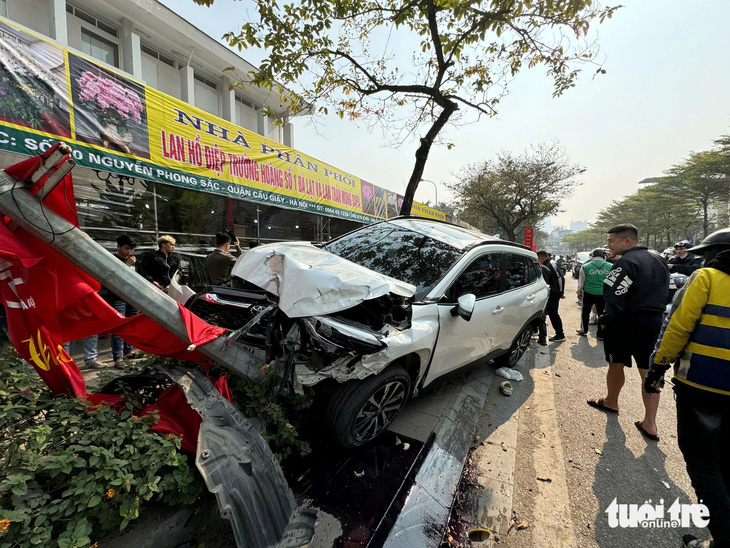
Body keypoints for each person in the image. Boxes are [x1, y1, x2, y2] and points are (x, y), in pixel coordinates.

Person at [645, 228, 730, 548]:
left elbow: (678, 326)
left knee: (703, 463)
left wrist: (657, 366)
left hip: (703, 386)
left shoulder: (707, 277)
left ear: (715, 253)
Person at [586, 224, 669, 441]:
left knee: (616, 363)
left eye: (611, 241)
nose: (608, 245)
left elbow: (615, 296)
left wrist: (605, 321)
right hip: (652, 324)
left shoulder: (625, 262)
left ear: (627, 241)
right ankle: (650, 423)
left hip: (624, 323)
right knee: (649, 371)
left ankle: (611, 401)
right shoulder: (659, 260)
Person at [103, 234, 139, 368]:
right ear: (118, 247)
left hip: (132, 297)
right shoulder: (112, 259)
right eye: (126, 248)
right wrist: (126, 265)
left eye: (132, 249)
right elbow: (110, 277)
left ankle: (128, 351)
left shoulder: (134, 260)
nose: (129, 252)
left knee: (130, 326)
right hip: (117, 297)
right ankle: (117, 358)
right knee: (119, 327)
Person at [576, 248, 611, 339]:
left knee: (585, 311)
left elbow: (581, 282)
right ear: (603, 255)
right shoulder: (610, 266)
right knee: (602, 313)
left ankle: (583, 330)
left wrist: (579, 292)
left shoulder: (585, 266)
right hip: (603, 293)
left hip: (588, 293)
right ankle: (600, 334)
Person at [537, 250, 566, 342]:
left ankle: (560, 334)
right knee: (550, 312)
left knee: (553, 313)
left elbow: (561, 278)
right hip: (552, 290)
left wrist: (561, 292)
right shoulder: (548, 263)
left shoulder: (551, 264)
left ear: (541, 257)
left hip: (554, 291)